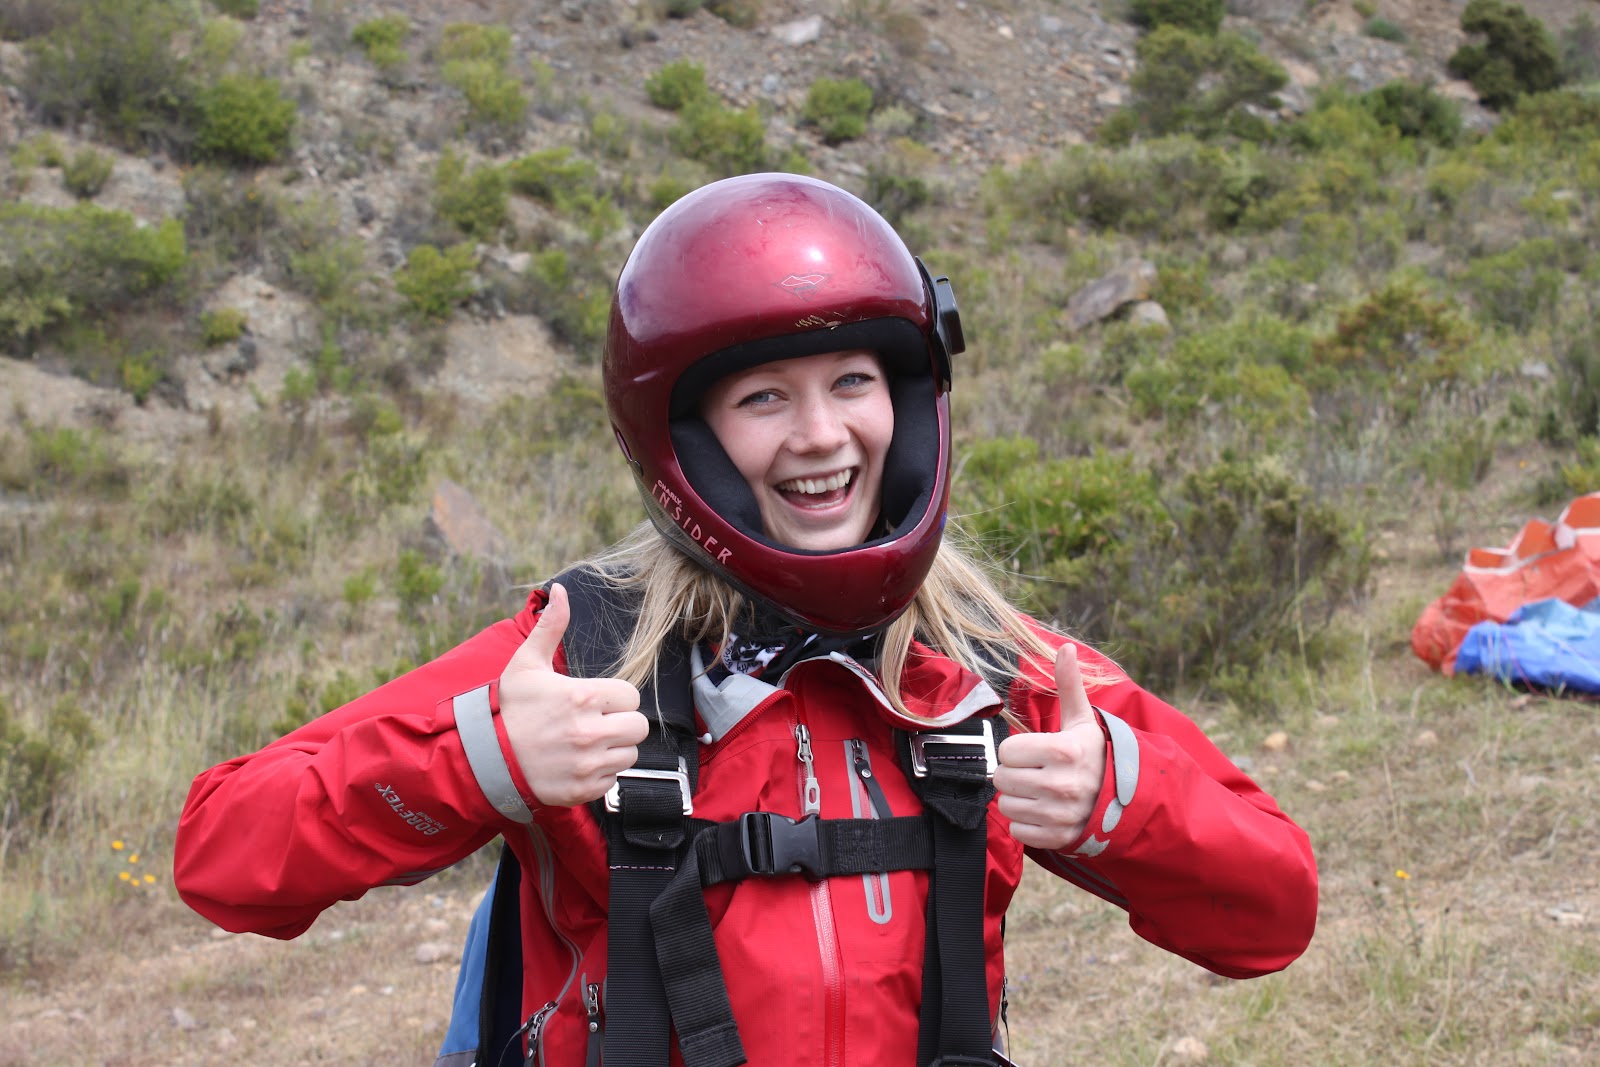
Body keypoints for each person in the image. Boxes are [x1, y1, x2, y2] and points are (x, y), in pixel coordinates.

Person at [174, 173, 1318, 1067]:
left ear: (909, 402)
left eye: (853, 382)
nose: (820, 434)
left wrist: (1121, 796)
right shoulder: (585, 653)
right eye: (764, 397)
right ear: (686, 438)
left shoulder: (981, 666)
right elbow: (225, 851)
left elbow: (1272, 911)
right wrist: (476, 759)